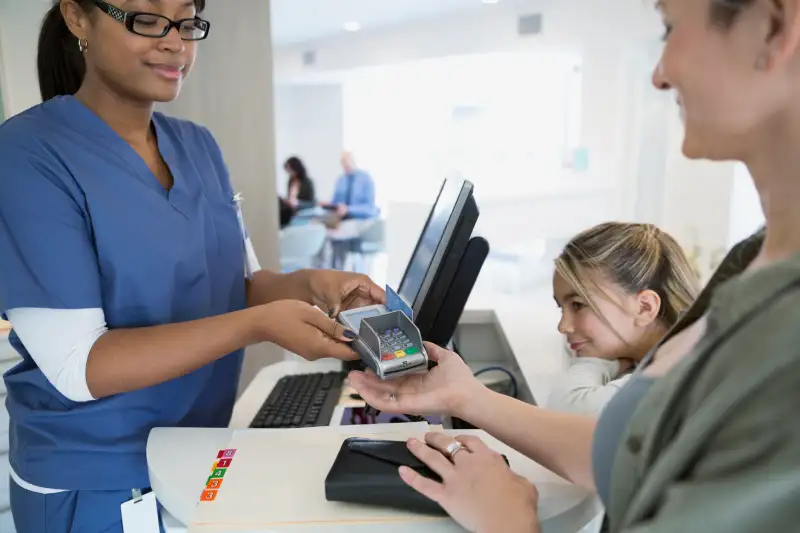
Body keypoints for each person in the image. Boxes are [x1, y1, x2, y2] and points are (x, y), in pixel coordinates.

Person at [349, 0, 800, 530]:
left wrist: (509, 521)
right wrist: (465, 397)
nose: (658, 74)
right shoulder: (756, 260)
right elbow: (642, 456)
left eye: (669, 28)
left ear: (773, 27)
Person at [0, 1, 384, 531]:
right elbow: (80, 366)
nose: (175, 41)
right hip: (97, 476)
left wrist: (315, 283)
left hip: (199, 449)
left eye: (186, 21)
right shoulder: (27, 156)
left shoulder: (198, 146)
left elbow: (244, 283)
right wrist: (256, 327)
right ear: (77, 16)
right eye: (147, 19)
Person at [546, 222, 699, 415]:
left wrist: (592, 363)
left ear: (645, 307)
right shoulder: (664, 358)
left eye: (578, 305)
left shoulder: (675, 375)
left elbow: (568, 408)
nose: (563, 326)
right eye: (562, 309)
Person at [320, 151, 379, 220]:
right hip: (341, 219)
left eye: (347, 161)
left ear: (353, 161)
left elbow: (369, 208)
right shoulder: (341, 180)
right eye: (343, 162)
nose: (345, 164)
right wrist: (327, 205)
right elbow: (335, 202)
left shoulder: (366, 179)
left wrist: (348, 209)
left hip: (361, 220)